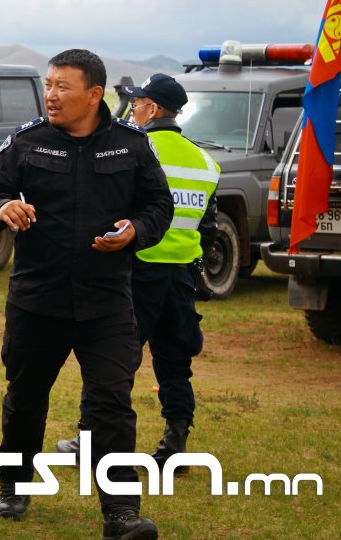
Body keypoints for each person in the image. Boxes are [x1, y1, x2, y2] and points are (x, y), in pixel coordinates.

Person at [0, 49, 172, 540]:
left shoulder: (131, 145)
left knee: (111, 404)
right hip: (37, 299)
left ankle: (121, 513)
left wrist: (136, 231)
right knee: (26, 398)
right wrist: (2, 210)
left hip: (106, 301)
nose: (52, 94)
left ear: (95, 94)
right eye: (49, 84)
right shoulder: (26, 142)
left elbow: (158, 206)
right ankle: (15, 482)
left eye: (63, 86)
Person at [56, 74, 219, 473]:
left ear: (154, 109)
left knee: (109, 358)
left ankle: (88, 439)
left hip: (134, 271)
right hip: (180, 276)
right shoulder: (205, 161)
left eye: (137, 102)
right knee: (175, 362)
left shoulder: (134, 148)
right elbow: (209, 227)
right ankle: (175, 443)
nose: (132, 109)